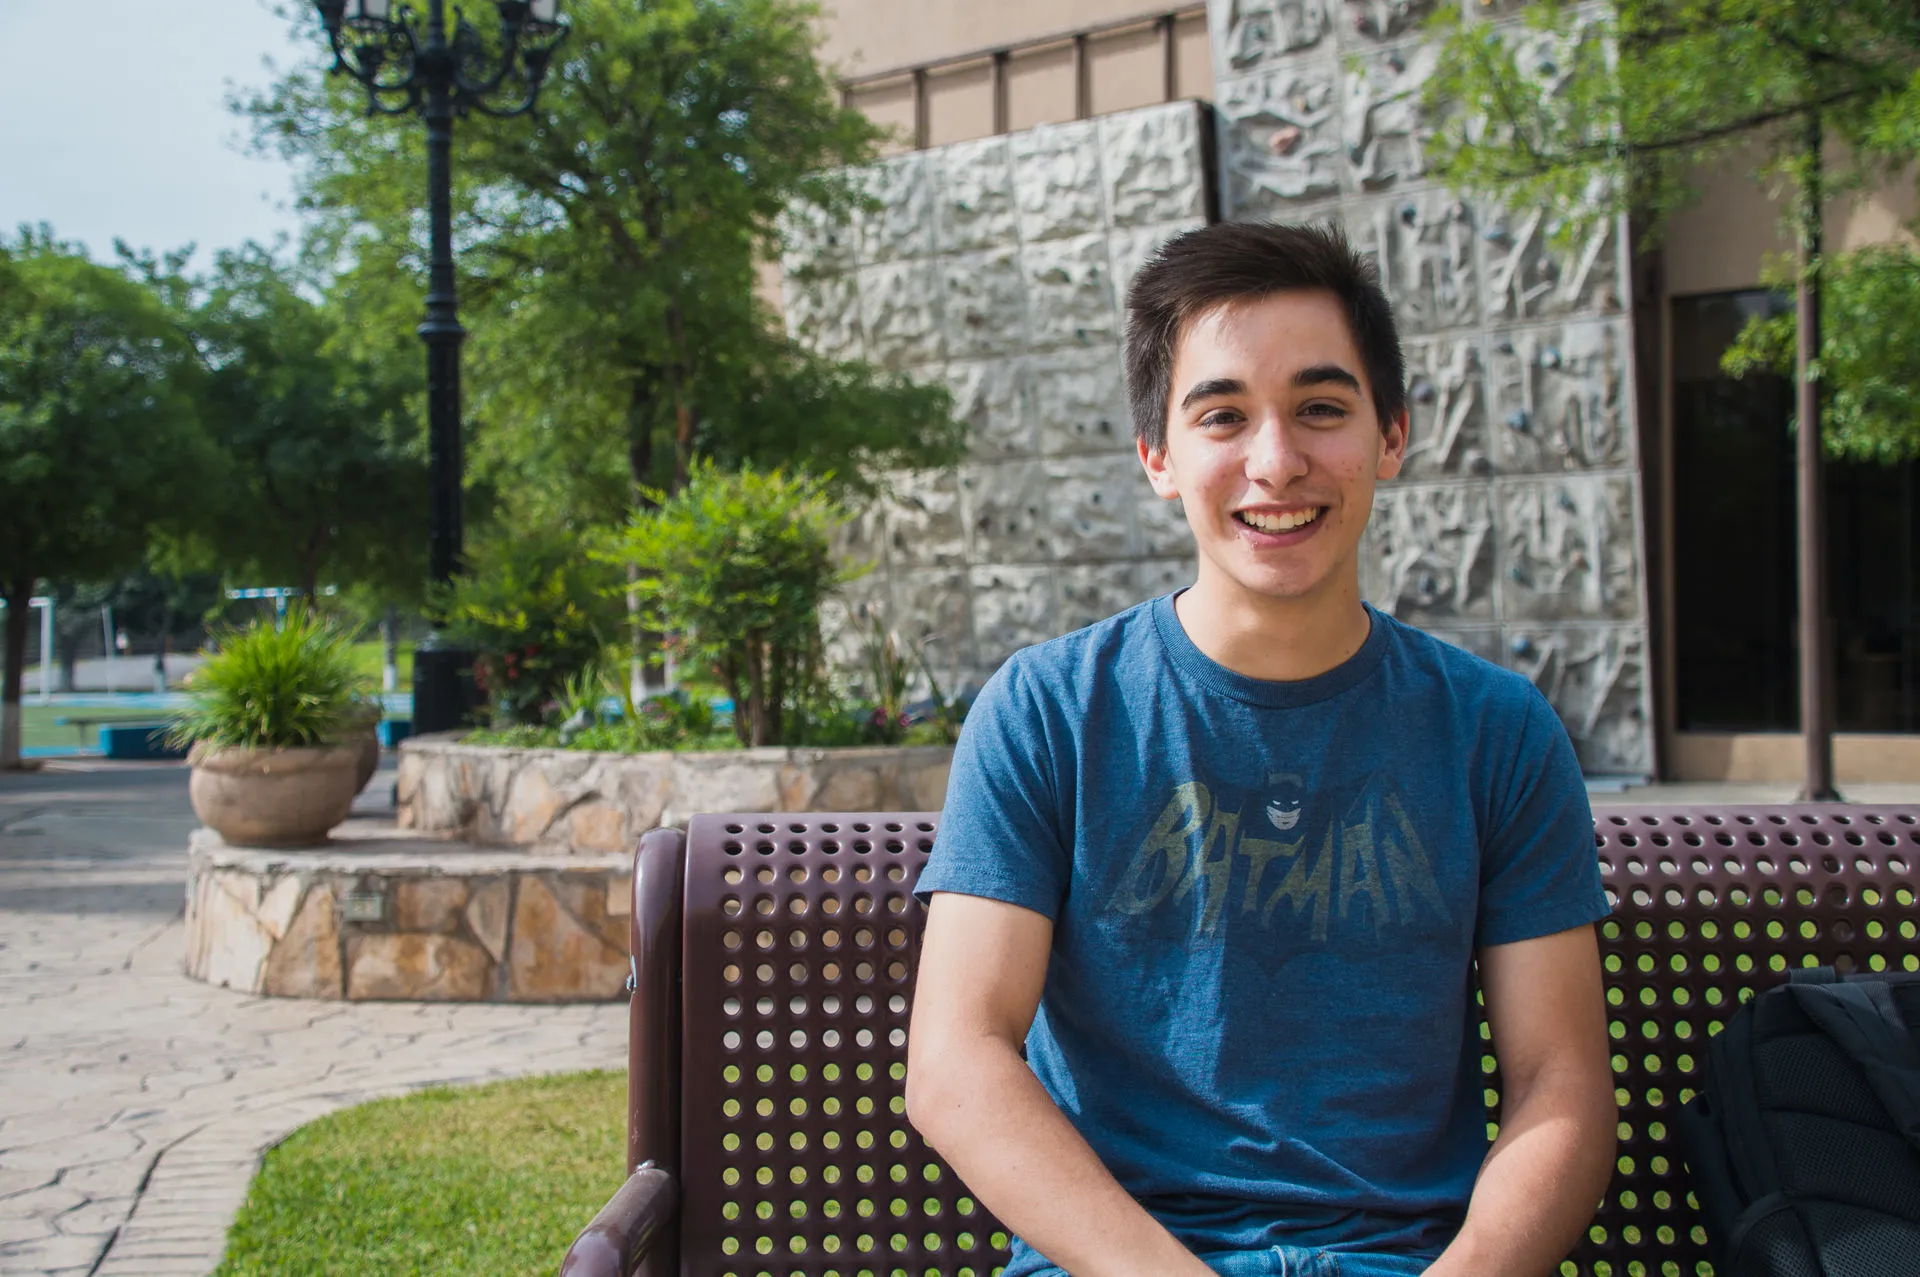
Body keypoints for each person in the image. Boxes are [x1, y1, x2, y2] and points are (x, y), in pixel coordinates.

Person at [904, 221, 1617, 1277]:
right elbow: (957, 1061)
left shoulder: (1495, 730)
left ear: (1392, 436)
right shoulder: (1048, 711)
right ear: (1158, 455)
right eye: (1224, 415)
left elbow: (1560, 1079)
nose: (1276, 461)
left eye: (1322, 409)